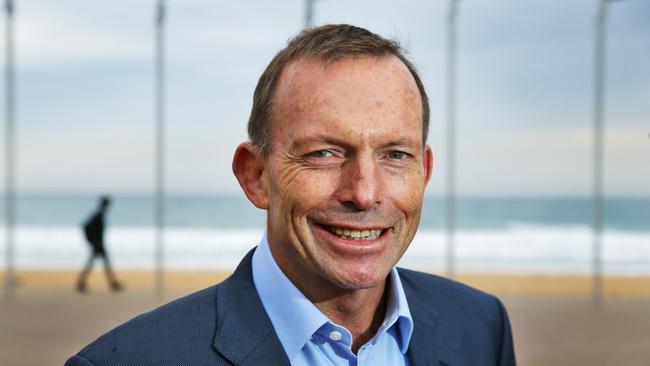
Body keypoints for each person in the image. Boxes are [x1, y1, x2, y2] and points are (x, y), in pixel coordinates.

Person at [65, 24, 515, 365]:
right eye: (323, 153)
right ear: (256, 175)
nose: (364, 192)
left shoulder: (481, 326)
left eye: (395, 155)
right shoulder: (131, 360)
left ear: (425, 171)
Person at [76, 196, 122, 293]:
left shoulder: (99, 215)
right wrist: (92, 242)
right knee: (100, 264)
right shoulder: (98, 216)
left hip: (98, 244)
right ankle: (112, 284)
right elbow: (85, 227)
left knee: (99, 264)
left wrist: (92, 241)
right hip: (98, 244)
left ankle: (112, 283)